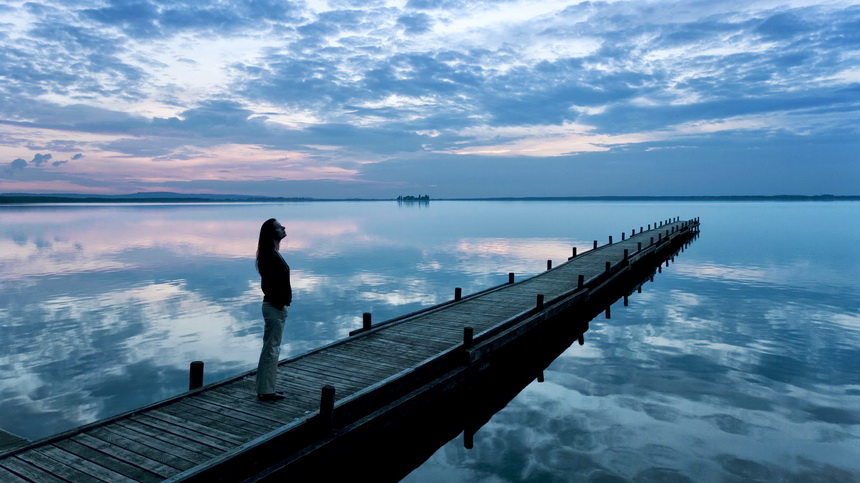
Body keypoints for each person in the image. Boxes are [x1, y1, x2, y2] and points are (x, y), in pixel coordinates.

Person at [255, 218, 291, 401]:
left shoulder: (272, 254)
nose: (283, 227)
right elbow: (268, 284)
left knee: (270, 348)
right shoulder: (269, 256)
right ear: (271, 233)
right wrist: (280, 303)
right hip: (273, 307)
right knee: (271, 349)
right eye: (278, 227)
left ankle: (265, 387)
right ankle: (266, 391)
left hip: (275, 306)